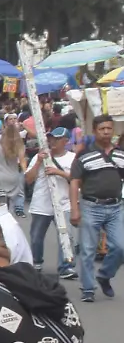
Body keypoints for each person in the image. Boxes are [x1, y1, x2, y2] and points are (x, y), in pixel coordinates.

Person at [69, 115, 124, 302]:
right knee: (88, 250)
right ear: (95, 131)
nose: (106, 132)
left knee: (120, 247)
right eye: (102, 129)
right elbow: (74, 182)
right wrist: (74, 209)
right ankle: (88, 289)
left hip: (116, 206)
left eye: (109, 128)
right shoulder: (84, 154)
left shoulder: (120, 154)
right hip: (91, 206)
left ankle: (104, 275)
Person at [26, 126, 77, 279]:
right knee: (36, 236)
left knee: (66, 236)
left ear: (66, 141)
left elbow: (77, 180)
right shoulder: (39, 157)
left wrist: (59, 172)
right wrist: (38, 162)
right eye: (51, 138)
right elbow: (28, 180)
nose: (52, 141)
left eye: (57, 139)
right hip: (41, 204)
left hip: (64, 203)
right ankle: (37, 262)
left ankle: (66, 266)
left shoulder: (72, 158)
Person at [0, 119, 28, 216]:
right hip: (13, 177)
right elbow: (22, 161)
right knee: (10, 206)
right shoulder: (19, 146)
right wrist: (26, 173)